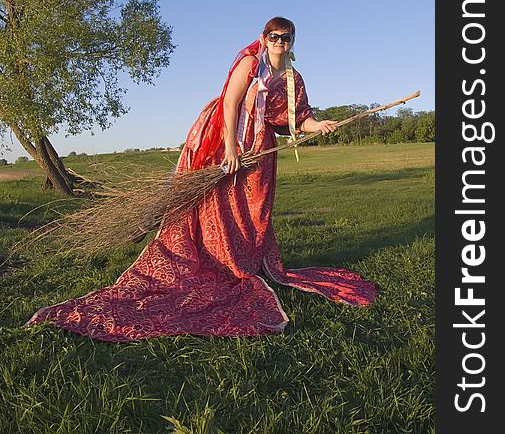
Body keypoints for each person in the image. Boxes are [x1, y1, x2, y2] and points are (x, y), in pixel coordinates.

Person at [26, 17, 376, 341]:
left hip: (260, 149)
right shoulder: (251, 63)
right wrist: (230, 150)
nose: (280, 42)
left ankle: (242, 260)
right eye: (274, 36)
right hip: (224, 138)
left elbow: (296, 118)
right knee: (216, 203)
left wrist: (319, 125)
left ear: (293, 41)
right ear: (264, 38)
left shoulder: (292, 79)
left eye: (286, 38)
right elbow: (230, 104)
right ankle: (211, 253)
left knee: (252, 206)